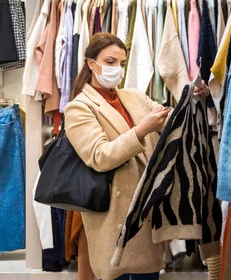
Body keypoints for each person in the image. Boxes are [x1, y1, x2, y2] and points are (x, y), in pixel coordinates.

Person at [64, 32, 209, 280]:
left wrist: (193, 97)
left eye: (121, 63)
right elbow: (100, 156)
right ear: (91, 63)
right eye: (110, 62)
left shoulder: (133, 96)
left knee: (148, 274)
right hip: (112, 216)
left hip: (144, 211)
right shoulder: (79, 107)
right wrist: (142, 130)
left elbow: (172, 120)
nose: (117, 69)